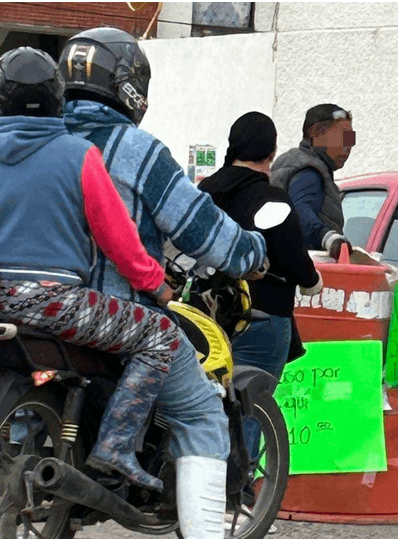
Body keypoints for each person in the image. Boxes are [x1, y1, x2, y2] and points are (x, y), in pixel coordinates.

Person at [58, 28, 267, 539]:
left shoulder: (40, 139)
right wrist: (251, 253)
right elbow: (203, 231)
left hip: (35, 310)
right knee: (201, 414)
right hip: (112, 317)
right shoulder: (139, 152)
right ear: (131, 87)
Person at [0, 46, 178, 492]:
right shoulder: (77, 155)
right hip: (55, 303)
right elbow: (119, 239)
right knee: (160, 336)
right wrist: (156, 286)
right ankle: (115, 446)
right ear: (57, 97)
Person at [199, 111, 322, 456]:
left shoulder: (204, 193)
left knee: (203, 407)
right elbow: (296, 260)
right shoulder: (272, 200)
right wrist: (313, 281)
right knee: (250, 409)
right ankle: (238, 494)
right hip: (261, 317)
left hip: (204, 316)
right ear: (270, 154)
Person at [271, 103, 356, 259]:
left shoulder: (289, 161)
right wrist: (328, 238)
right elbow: (300, 211)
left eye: (351, 138)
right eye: (343, 136)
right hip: (302, 273)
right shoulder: (309, 171)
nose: (349, 145)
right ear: (317, 133)